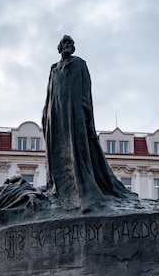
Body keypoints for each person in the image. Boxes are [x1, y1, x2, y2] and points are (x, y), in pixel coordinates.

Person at [42, 35, 132, 212]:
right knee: (59, 151)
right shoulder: (54, 69)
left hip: (75, 112)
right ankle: (61, 189)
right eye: (64, 43)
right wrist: (46, 114)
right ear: (59, 48)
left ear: (73, 48)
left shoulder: (80, 64)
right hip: (58, 116)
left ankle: (82, 189)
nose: (67, 46)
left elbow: (86, 89)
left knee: (79, 149)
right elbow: (49, 94)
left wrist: (86, 112)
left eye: (70, 43)